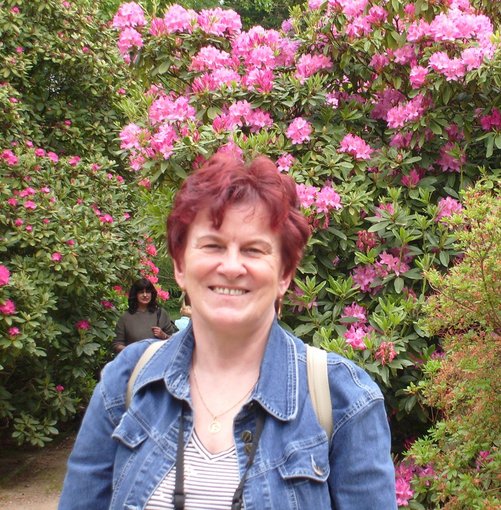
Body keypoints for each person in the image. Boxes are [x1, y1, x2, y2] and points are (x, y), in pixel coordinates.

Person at [59, 154, 397, 509]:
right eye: (212, 245)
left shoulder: (344, 400)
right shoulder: (127, 380)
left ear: (284, 274)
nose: (232, 267)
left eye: (254, 249)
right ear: (180, 266)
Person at [112, 277, 176, 353]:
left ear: (152, 294)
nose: (145, 295)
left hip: (157, 359)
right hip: (134, 359)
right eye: (141, 292)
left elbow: (174, 341)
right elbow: (117, 344)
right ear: (135, 294)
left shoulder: (161, 313)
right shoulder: (126, 317)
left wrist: (163, 335)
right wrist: (132, 351)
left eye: (148, 292)